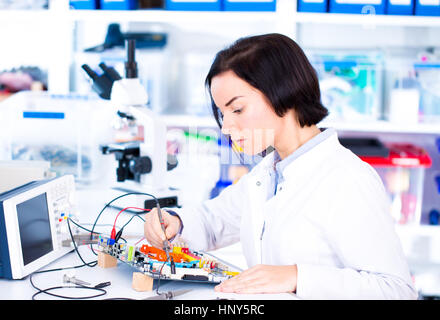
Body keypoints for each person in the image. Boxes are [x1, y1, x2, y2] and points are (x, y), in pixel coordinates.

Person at [144, 33, 417, 299]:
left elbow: (396, 290)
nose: (226, 127)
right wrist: (175, 222)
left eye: (237, 110)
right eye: (222, 113)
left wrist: (297, 276)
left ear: (284, 94)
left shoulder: (347, 179)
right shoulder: (269, 172)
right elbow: (215, 220)